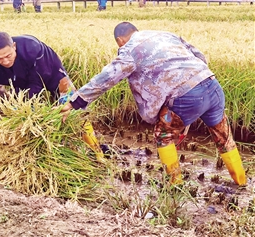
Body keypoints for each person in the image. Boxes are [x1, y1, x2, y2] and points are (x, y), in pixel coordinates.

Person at [60, 22, 246, 185]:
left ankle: (175, 185)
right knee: (223, 136)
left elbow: (105, 79)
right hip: (212, 86)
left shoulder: (130, 49)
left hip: (186, 97)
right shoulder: (165, 35)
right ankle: (241, 181)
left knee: (163, 136)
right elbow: (200, 56)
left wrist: (74, 102)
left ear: (120, 40)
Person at [0, 31, 105, 161]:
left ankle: (97, 152)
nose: (5, 61)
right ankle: (39, 153)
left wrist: (29, 112)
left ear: (14, 46)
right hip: (21, 82)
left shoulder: (33, 48)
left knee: (75, 111)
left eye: (8, 55)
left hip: (51, 73)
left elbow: (37, 84)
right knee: (20, 117)